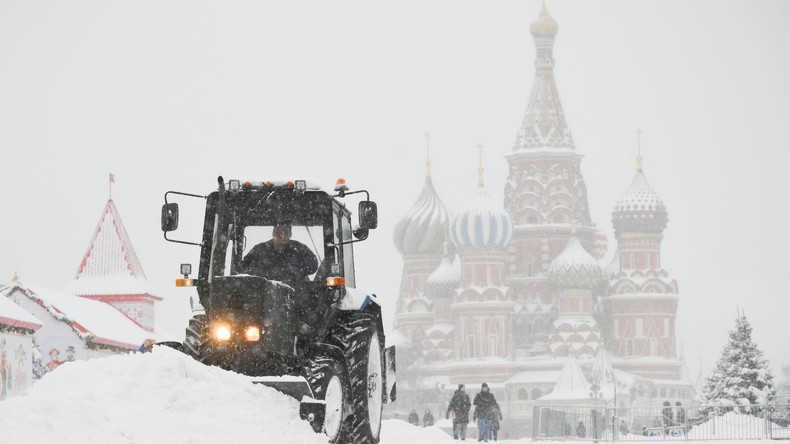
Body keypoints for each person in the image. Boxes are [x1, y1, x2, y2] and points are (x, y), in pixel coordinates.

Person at [241, 223, 318, 282]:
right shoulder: (259, 249)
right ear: (273, 233)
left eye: (285, 232)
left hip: (297, 290)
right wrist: (258, 272)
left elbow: (313, 265)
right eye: (278, 232)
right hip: (263, 290)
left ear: (290, 234)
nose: (282, 235)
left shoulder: (300, 249)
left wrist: (296, 269)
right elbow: (244, 267)